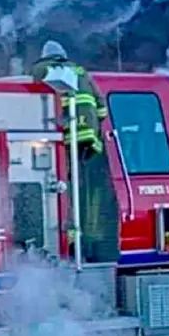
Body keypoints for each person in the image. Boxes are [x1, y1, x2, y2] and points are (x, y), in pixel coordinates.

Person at [30, 40, 120, 264]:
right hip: (89, 136)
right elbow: (101, 108)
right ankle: (82, 235)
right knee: (83, 186)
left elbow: (32, 94)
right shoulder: (80, 71)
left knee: (65, 185)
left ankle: (71, 234)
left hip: (66, 136)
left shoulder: (41, 69)